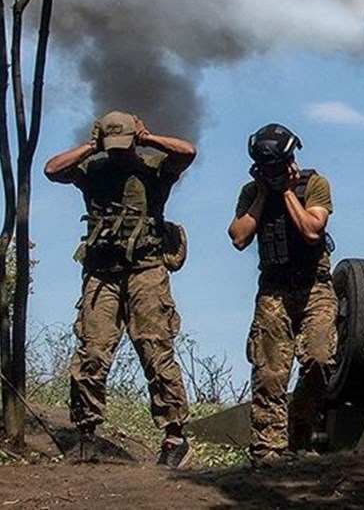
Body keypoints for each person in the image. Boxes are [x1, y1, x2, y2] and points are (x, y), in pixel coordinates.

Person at [44, 110, 195, 468]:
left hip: (146, 271)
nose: (118, 152)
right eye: (112, 146)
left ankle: (175, 437)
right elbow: (52, 170)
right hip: (101, 273)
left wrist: (148, 138)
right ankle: (86, 434)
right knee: (92, 354)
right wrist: (90, 147)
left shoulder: (154, 167)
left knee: (156, 352)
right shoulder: (92, 169)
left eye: (123, 145)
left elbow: (187, 152)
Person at [228, 123, 336, 467]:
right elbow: (239, 237)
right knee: (270, 372)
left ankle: (299, 432)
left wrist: (288, 192)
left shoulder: (313, 185)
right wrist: (263, 194)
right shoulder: (251, 192)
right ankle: (267, 450)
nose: (273, 173)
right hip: (274, 289)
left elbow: (310, 230)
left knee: (319, 359)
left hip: (315, 287)